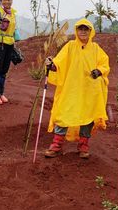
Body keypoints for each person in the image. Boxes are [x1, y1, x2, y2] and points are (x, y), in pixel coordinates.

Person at [43, 19, 109, 159]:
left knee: (87, 117)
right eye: (80, 29)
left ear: (90, 31)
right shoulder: (70, 46)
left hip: (89, 91)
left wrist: (99, 71)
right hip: (71, 89)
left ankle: (83, 146)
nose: (83, 32)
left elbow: (105, 64)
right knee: (63, 114)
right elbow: (59, 62)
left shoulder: (96, 48)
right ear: (76, 31)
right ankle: (57, 145)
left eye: (86, 29)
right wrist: (52, 65)